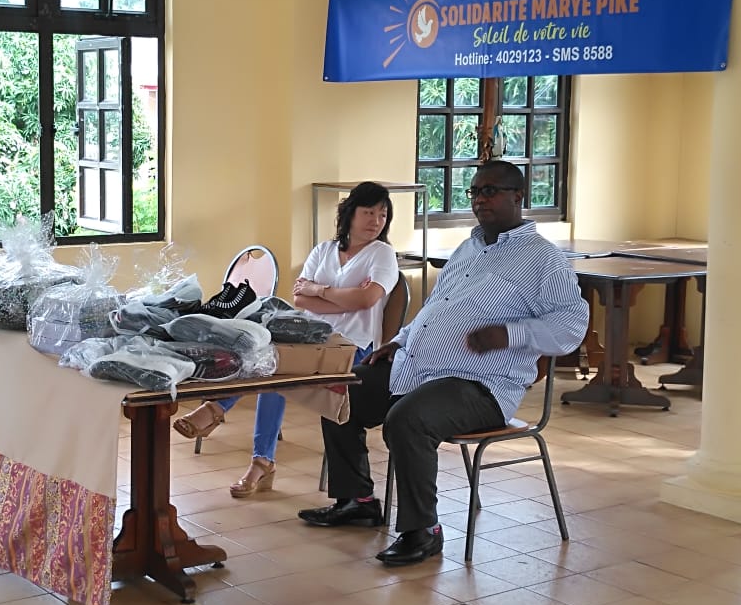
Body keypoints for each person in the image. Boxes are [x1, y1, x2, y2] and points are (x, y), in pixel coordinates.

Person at [298, 161, 589, 567]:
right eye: (475, 192)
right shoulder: (469, 248)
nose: (480, 200)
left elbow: (572, 325)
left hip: (482, 385)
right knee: (341, 389)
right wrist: (399, 340)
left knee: (407, 419)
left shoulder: (543, 259)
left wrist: (509, 333)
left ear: (518, 196)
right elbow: (437, 306)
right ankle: (358, 501)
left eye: (491, 191)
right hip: (419, 367)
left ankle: (423, 530)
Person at [172, 181, 400, 498]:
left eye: (382, 214)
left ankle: (233, 427)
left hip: (352, 348)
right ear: (350, 213)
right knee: (267, 356)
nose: (376, 221)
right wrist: (339, 297)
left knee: (277, 369)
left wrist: (319, 291)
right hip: (310, 337)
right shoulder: (324, 250)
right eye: (369, 212)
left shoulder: (382, 254)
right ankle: (256, 455)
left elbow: (365, 300)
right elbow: (300, 299)